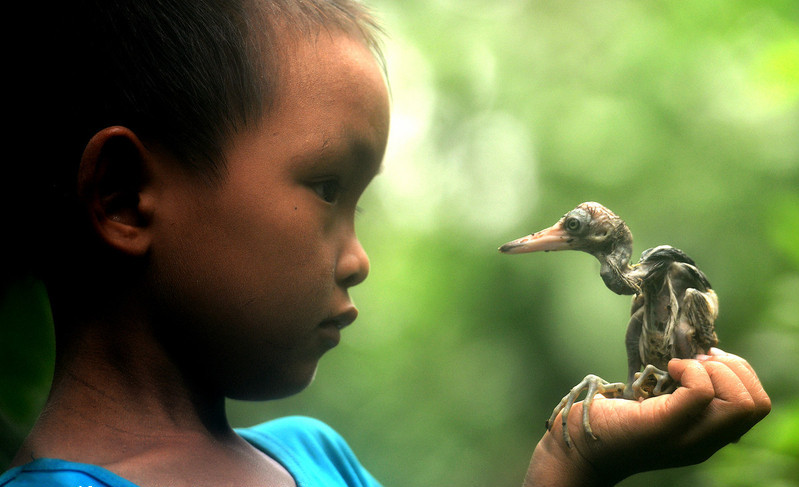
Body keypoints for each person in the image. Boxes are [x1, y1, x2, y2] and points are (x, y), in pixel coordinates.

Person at [0, 1, 770, 486]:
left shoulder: (315, 454)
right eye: (327, 191)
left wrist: (571, 463)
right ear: (124, 198)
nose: (357, 259)